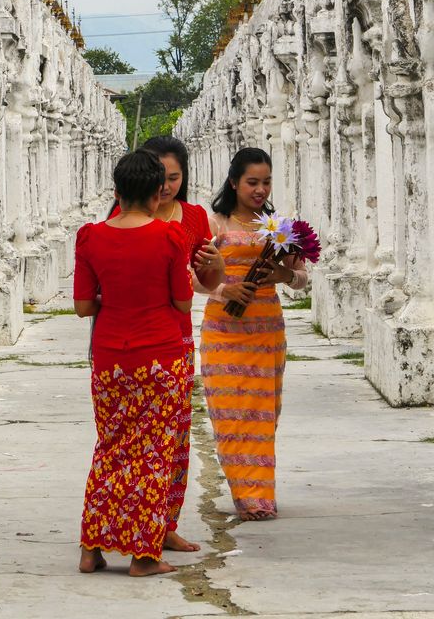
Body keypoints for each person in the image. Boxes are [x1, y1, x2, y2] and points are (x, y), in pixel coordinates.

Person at [74, 149, 192, 577]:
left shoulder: (89, 236)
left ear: (117, 192)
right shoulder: (169, 237)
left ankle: (92, 549)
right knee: (153, 454)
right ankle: (143, 555)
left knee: (111, 448)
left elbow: (85, 306)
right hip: (159, 355)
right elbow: (181, 300)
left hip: (110, 359)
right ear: (159, 194)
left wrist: (115, 298)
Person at [108, 135, 225, 552]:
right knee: (130, 441)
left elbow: (207, 286)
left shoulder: (193, 217)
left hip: (176, 336)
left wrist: (215, 266)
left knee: (174, 439)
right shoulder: (121, 219)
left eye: (173, 177)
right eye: (159, 178)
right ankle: (131, 528)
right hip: (130, 340)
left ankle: (164, 522)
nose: (165, 186)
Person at [200, 148, 308, 522]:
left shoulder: (279, 228)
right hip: (223, 331)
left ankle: (260, 493)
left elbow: (302, 279)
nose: (260, 190)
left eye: (266, 182)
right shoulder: (214, 225)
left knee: (262, 413)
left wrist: (283, 276)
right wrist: (223, 290)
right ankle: (247, 495)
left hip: (265, 328)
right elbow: (191, 277)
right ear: (234, 183)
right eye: (252, 182)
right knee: (231, 413)